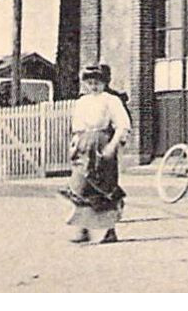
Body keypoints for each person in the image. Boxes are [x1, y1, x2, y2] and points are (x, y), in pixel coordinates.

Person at [62, 63, 130, 245]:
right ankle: (83, 228)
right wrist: (74, 145)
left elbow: (122, 125)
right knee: (81, 185)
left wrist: (112, 145)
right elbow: (77, 127)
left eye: (97, 83)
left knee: (104, 186)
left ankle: (110, 230)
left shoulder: (111, 100)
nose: (93, 86)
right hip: (84, 144)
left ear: (104, 83)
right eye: (90, 83)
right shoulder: (82, 102)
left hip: (102, 143)